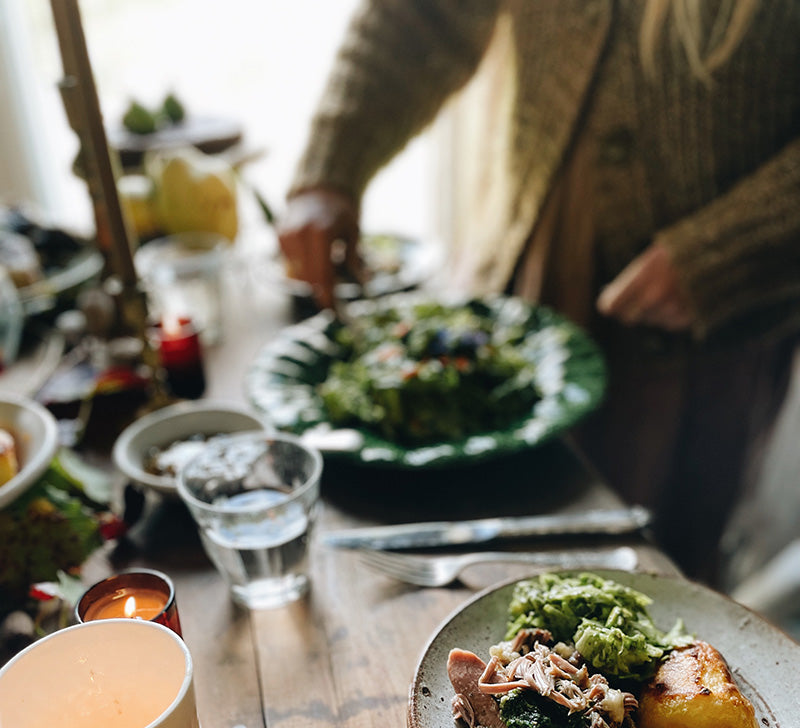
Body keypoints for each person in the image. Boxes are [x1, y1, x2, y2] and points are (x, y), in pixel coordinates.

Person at [277, 0, 800, 583]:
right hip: (531, 256)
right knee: (487, 526)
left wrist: (733, 247)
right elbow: (426, 14)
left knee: (654, 570)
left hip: (705, 320)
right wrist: (333, 165)